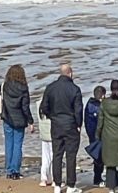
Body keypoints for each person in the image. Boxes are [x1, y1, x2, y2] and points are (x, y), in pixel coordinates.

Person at [41, 63, 83, 193]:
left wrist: (52, 116)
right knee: (71, 156)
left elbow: (44, 107)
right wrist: (78, 124)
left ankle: (57, 185)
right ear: (70, 73)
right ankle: (70, 186)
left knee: (57, 155)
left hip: (56, 125)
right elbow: (78, 110)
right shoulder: (75, 89)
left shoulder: (50, 88)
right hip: (70, 125)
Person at [0, 64, 31, 180]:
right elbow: (25, 107)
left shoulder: (4, 86)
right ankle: (15, 171)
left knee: (8, 144)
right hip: (20, 120)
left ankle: (9, 170)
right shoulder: (23, 87)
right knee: (17, 144)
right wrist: (30, 121)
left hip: (7, 118)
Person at [84, 85, 105, 188]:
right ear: (103, 95)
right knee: (99, 159)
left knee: (97, 158)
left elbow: (86, 121)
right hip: (99, 135)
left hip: (91, 134)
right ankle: (98, 179)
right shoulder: (99, 107)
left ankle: (97, 178)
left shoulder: (88, 104)